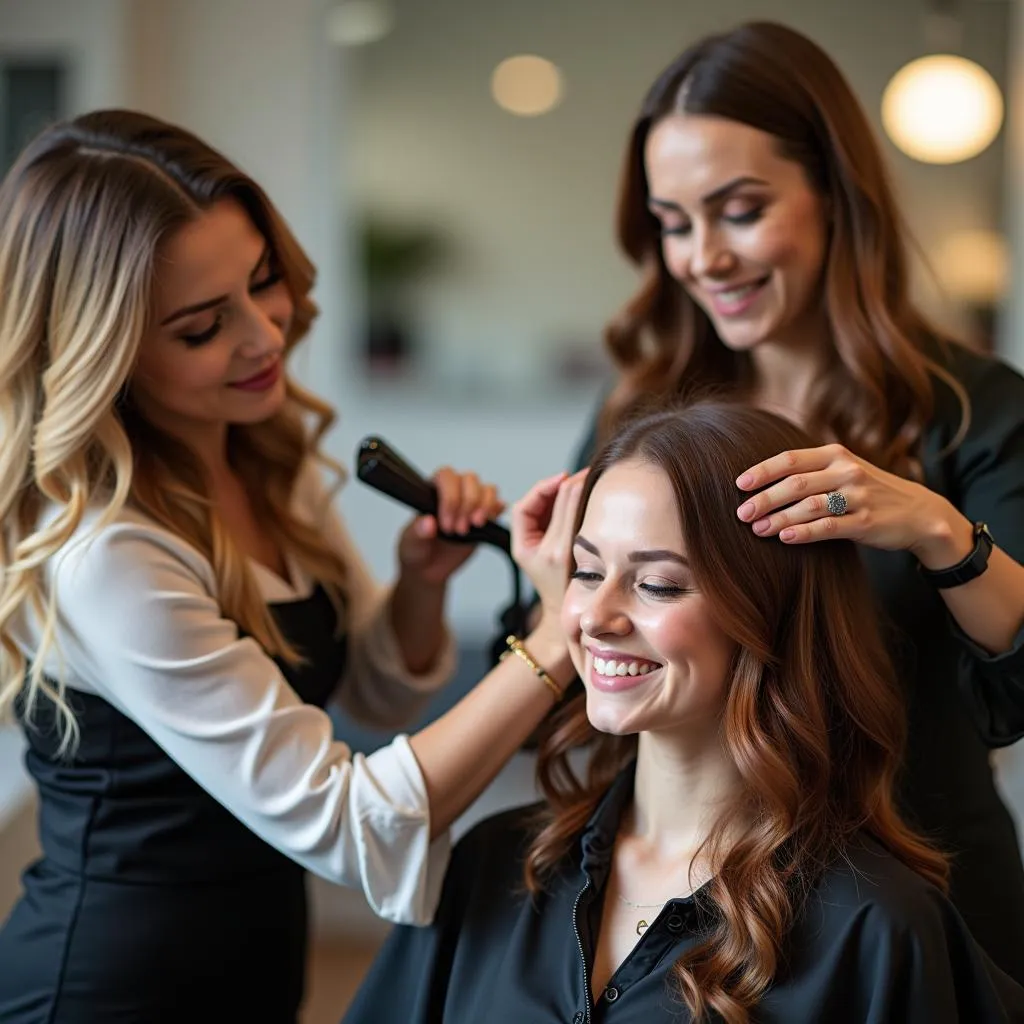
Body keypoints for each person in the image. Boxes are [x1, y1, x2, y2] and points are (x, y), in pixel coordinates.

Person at [0, 109, 584, 1024]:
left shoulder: (262, 461)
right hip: (106, 989)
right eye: (202, 326)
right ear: (102, 353)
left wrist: (421, 581)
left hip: (259, 956)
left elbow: (374, 698)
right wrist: (562, 635)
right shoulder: (111, 555)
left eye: (263, 282)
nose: (265, 336)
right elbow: (353, 822)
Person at [561, 20, 1024, 981]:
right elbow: (581, 657)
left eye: (738, 210)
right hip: (698, 909)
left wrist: (937, 528)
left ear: (834, 196)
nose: (703, 259)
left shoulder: (976, 411)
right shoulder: (642, 417)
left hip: (925, 898)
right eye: (674, 224)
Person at [343, 401, 1024, 1024]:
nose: (596, 619)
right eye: (584, 571)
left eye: (658, 584)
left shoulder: (877, 929)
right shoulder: (492, 870)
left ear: (770, 614)